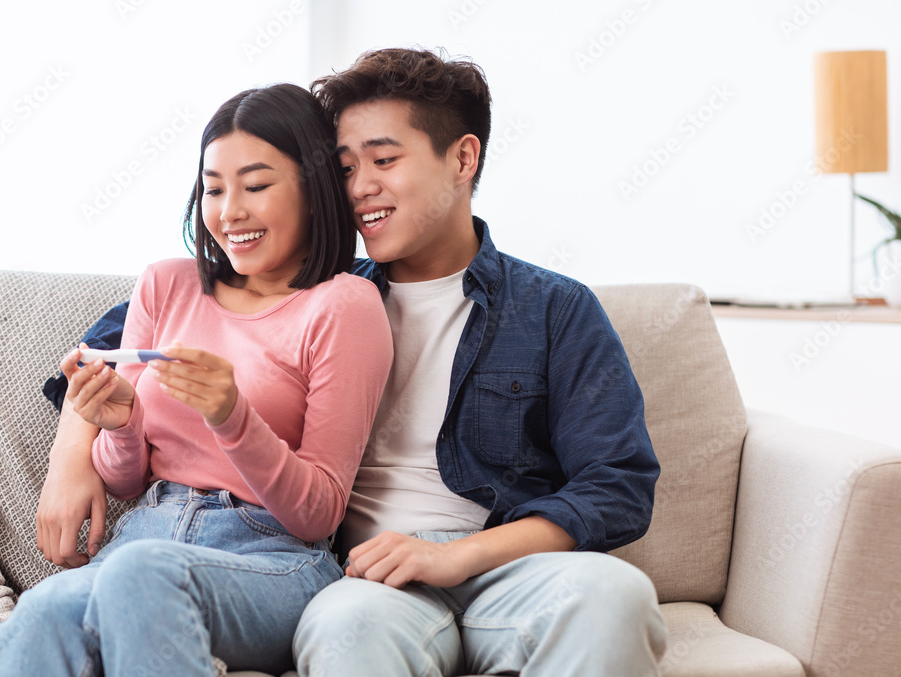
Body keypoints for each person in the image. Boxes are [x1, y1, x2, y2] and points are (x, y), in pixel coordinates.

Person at [39, 49, 668, 676]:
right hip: (367, 577)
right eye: (343, 168)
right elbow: (119, 349)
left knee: (618, 595)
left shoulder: (553, 308)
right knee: (348, 632)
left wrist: (458, 556)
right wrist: (72, 458)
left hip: (507, 569)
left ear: (463, 158)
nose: (360, 187)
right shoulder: (314, 290)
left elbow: (618, 485)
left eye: (385, 160)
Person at [0, 83, 393, 676]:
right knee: (41, 611)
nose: (229, 211)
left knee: (138, 573)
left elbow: (319, 512)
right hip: (146, 530)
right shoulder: (166, 285)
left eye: (256, 185)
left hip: (271, 558)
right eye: (214, 188)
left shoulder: (344, 305)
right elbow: (126, 481)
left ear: (312, 188)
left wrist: (233, 416)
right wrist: (121, 423)